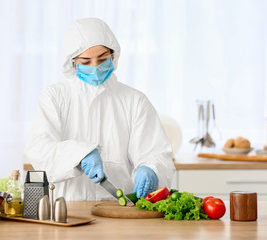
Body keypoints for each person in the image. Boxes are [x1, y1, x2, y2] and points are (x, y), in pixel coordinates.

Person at [24, 18, 175, 201]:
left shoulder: (135, 101)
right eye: (86, 62)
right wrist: (80, 154)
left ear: (114, 56)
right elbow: (39, 150)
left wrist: (151, 169)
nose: (95, 67)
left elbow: (155, 152)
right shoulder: (55, 97)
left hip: (120, 210)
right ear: (73, 63)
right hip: (69, 208)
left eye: (103, 59)